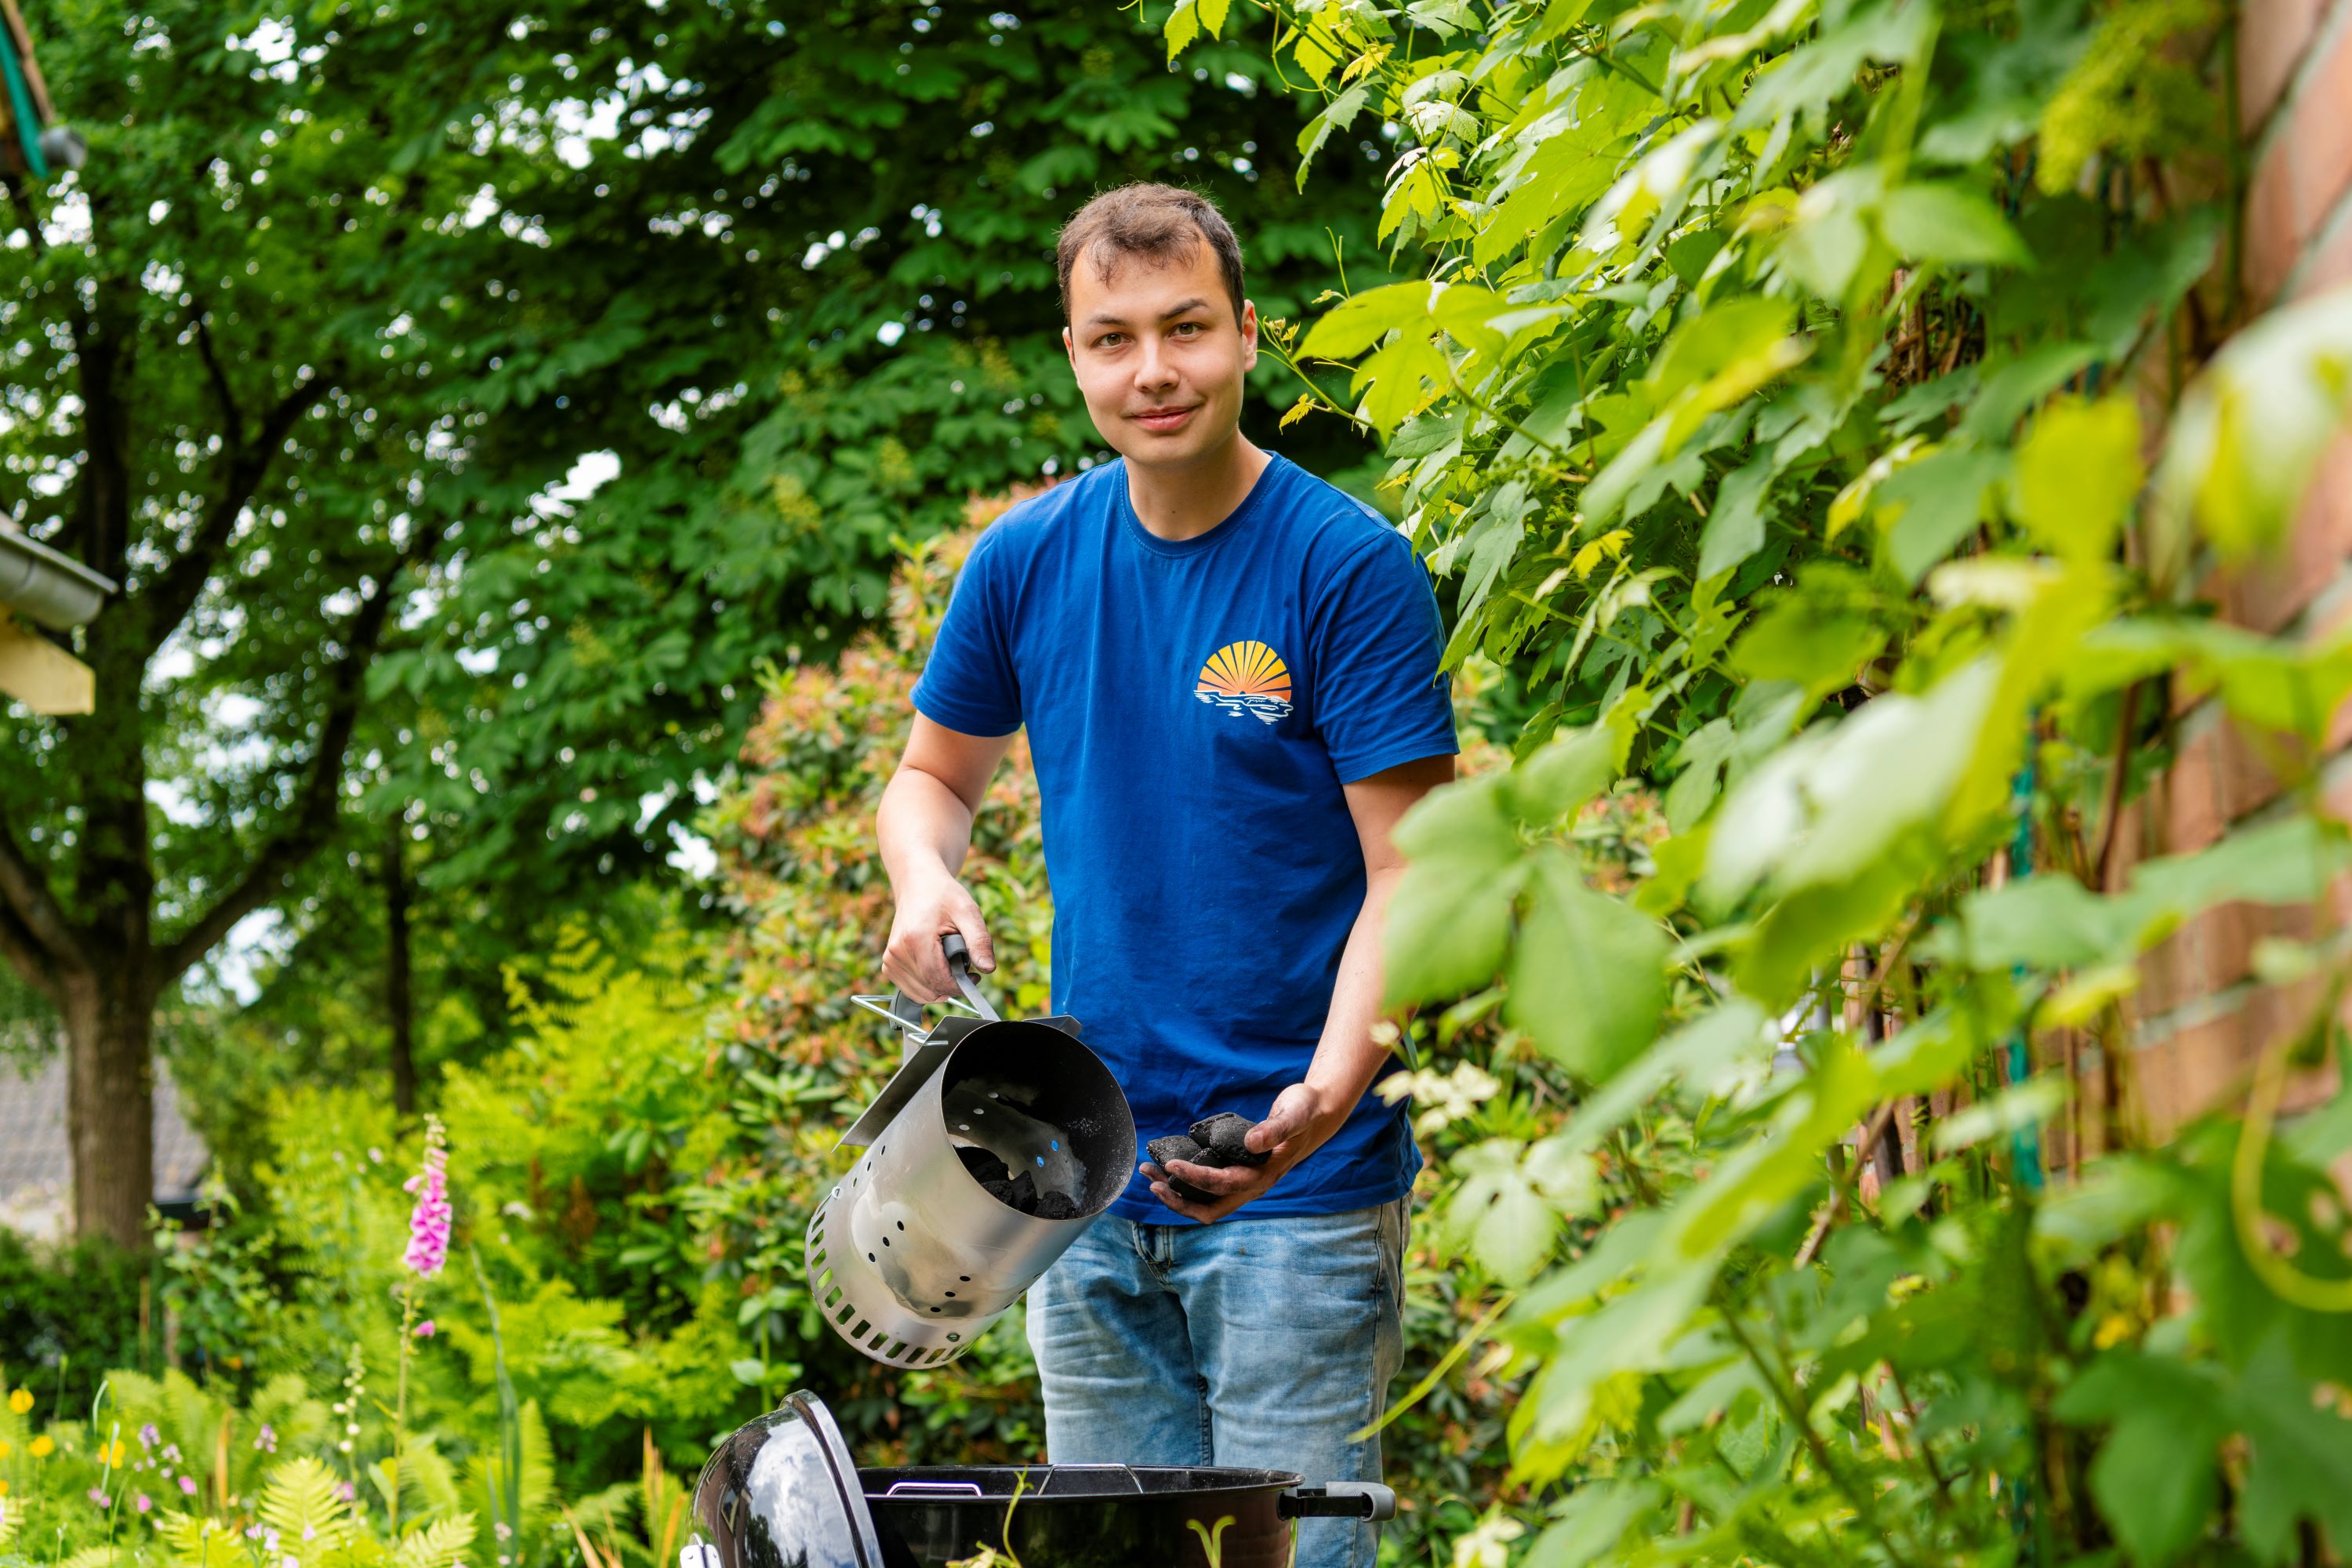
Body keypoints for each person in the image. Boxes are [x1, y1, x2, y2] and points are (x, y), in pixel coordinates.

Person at [874, 183, 1456, 1568]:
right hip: (1073, 1181)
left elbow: (1414, 878)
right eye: (1113, 338)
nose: (1154, 372)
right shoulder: (1023, 562)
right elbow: (932, 781)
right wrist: (921, 882)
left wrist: (1314, 1108)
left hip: (1298, 1194)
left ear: (1248, 335)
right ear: (1073, 353)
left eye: (1186, 329)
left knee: (1296, 1556)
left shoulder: (1349, 569)